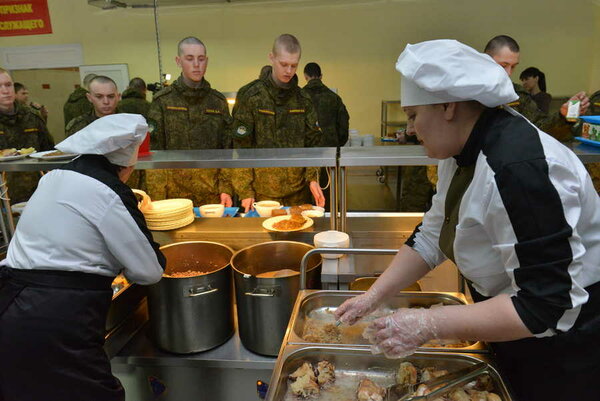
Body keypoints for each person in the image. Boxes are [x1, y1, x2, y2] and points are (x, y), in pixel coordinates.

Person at [335, 39, 600, 401]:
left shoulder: (519, 171)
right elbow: (432, 234)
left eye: (413, 115)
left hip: (562, 345)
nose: (410, 129)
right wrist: (375, 295)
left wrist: (428, 323)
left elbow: (546, 306)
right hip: (510, 320)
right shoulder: (462, 148)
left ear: (448, 106)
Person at [0, 114, 166, 400]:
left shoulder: (52, 177)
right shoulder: (110, 191)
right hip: (57, 321)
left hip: (11, 307)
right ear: (126, 167)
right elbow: (148, 272)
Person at [230, 34, 325, 212]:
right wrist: (245, 190)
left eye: (294, 65)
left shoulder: (303, 99)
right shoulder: (251, 96)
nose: (289, 71)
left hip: (297, 193)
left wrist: (313, 178)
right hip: (261, 195)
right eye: (283, 64)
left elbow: (313, 145)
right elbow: (240, 147)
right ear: (271, 57)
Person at [146, 36, 233, 207]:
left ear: (206, 61)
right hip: (174, 194)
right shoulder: (163, 101)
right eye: (189, 58)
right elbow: (154, 151)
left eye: (201, 59)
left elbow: (227, 149)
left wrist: (226, 188)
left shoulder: (217, 101)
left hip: (212, 193)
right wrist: (157, 195)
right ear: (178, 61)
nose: (196, 64)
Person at [484, 35, 589, 142]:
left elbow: (540, 127)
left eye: (513, 66)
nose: (509, 73)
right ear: (485, 60)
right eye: (503, 65)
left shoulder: (517, 94)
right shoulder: (469, 91)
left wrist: (563, 116)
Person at [0, 69, 54, 203]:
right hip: (3, 196)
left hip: (37, 193)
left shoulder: (32, 116)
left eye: (8, 85)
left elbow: (49, 153)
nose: (5, 90)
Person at [302, 62, 349, 148]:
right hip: (330, 148)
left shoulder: (299, 97)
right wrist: (337, 142)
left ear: (305, 76)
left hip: (306, 149)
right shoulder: (334, 97)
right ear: (321, 76)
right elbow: (343, 123)